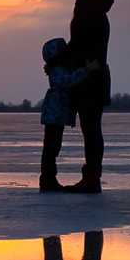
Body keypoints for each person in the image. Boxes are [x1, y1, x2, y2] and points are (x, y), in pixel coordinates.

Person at [49, 0, 114, 194]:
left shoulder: (91, 18)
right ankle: (92, 177)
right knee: (92, 129)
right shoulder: (96, 18)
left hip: (91, 80)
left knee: (91, 129)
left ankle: (92, 179)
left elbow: (78, 47)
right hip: (92, 78)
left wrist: (55, 60)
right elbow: (77, 46)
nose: (75, 3)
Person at [39, 38, 101, 192]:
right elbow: (67, 81)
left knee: (53, 146)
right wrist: (86, 70)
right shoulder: (57, 69)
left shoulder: (60, 67)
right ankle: (48, 179)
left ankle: (49, 178)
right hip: (54, 114)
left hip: (56, 114)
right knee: (51, 147)